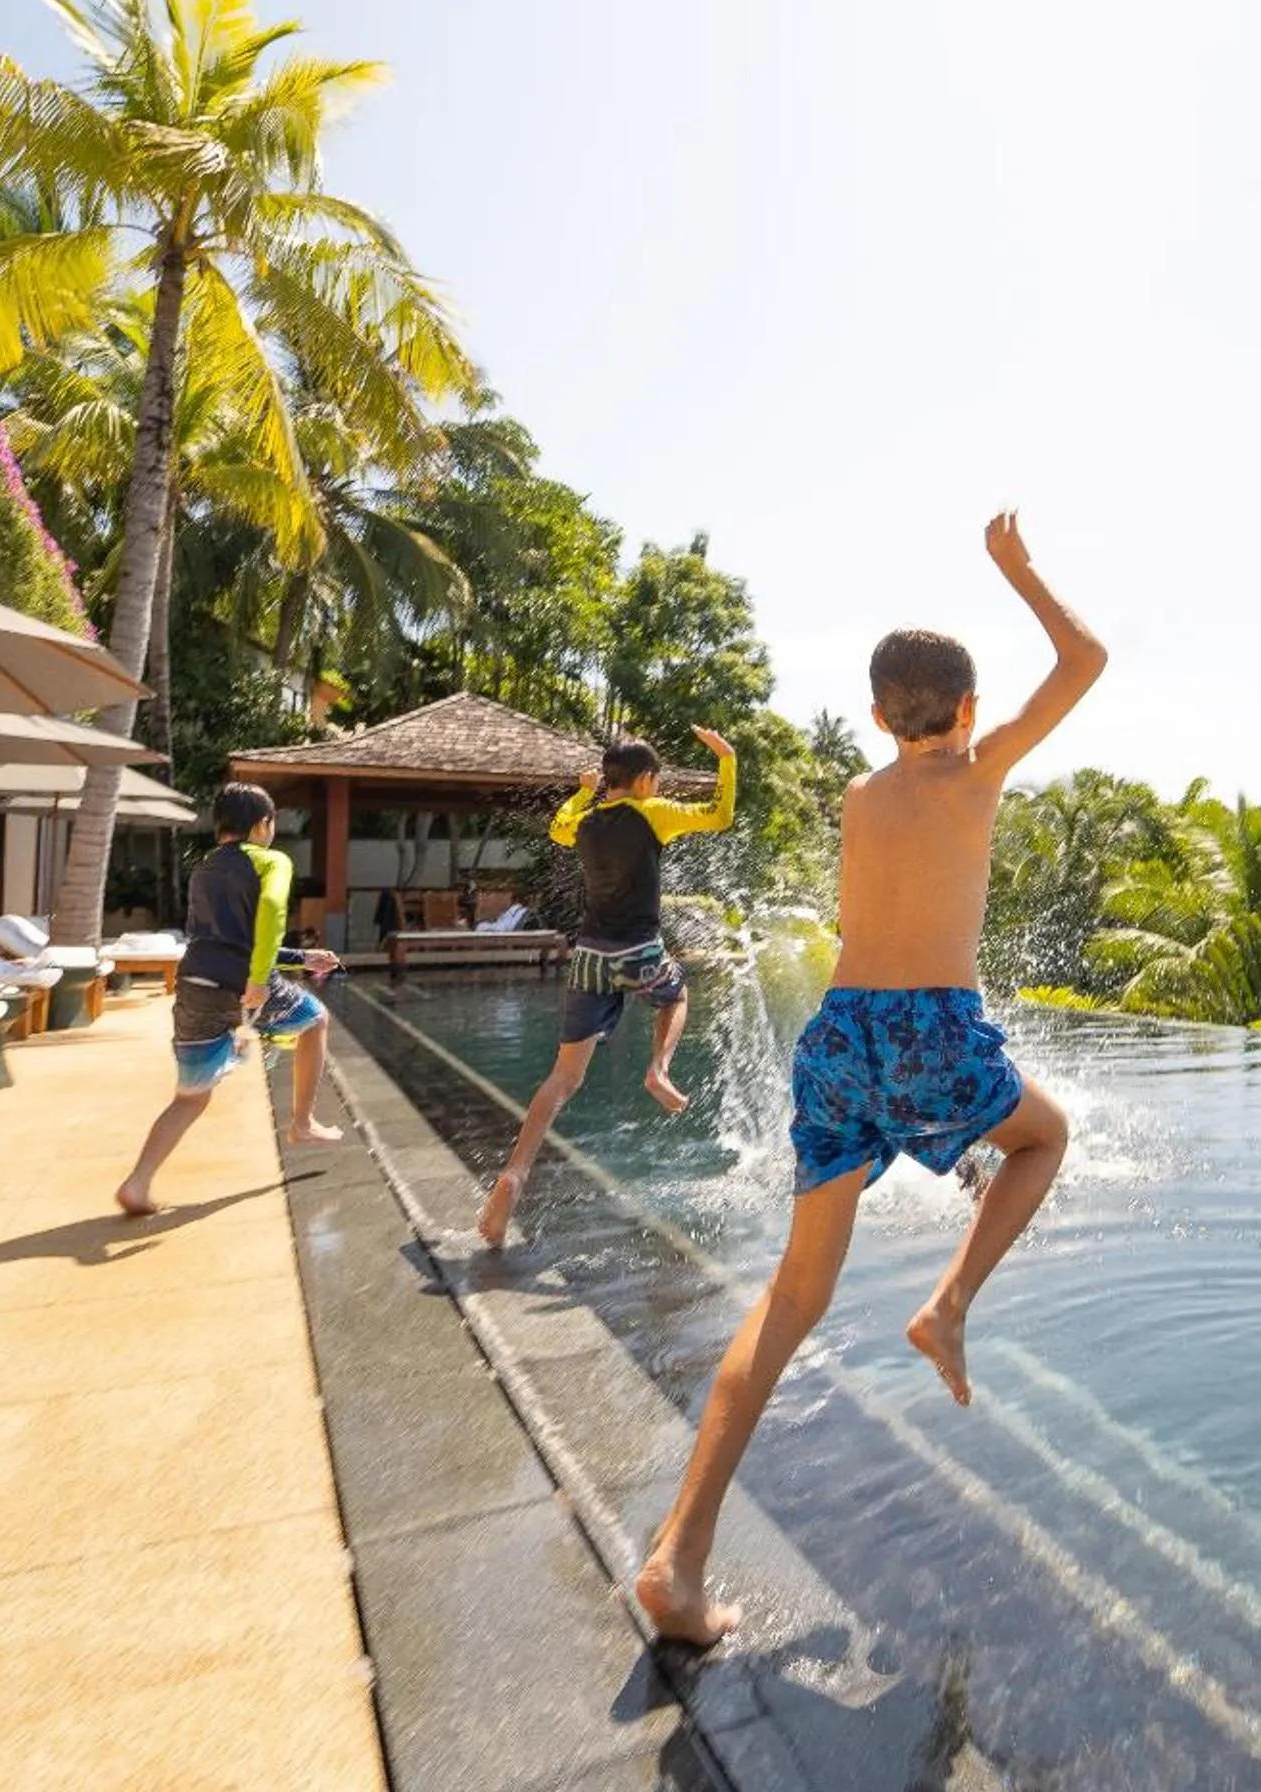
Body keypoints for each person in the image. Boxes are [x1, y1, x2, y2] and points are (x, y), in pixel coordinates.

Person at [632, 510, 1106, 1647]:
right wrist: (1019, 571)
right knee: (1045, 1141)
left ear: (878, 712)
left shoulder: (858, 794)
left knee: (792, 1299)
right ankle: (946, 1307)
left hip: (839, 1033)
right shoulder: (978, 768)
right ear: (969, 711)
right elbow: (1086, 661)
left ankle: (678, 1557)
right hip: (929, 1027)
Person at [470, 725, 739, 1248]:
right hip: (638, 950)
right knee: (676, 994)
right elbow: (720, 815)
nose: (658, 789)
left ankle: (516, 1173)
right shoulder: (653, 814)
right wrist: (725, 760)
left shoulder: (586, 822)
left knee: (562, 1079)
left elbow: (557, 827)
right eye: (656, 780)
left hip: (589, 955)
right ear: (643, 781)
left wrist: (581, 789)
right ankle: (658, 1070)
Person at [115, 782, 345, 1216]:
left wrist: (299, 958)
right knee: (315, 1021)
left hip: (194, 985)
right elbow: (273, 912)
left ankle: (137, 1182)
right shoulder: (272, 860)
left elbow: (222, 938)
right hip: (241, 986)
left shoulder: (204, 868)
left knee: (189, 1097)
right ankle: (301, 1123)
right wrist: (260, 979)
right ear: (263, 825)